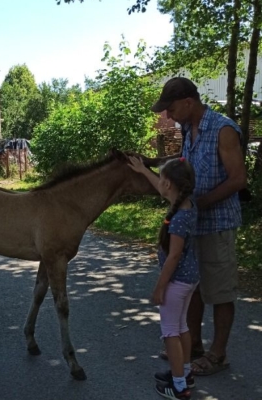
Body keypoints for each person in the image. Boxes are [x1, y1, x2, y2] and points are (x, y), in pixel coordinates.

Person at [150, 77, 247, 376]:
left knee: (219, 291)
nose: (167, 115)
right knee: (190, 287)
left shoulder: (223, 129)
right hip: (192, 226)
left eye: (170, 107)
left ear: (189, 102)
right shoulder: (186, 130)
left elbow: (238, 179)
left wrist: (199, 203)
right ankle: (192, 347)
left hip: (217, 224)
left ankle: (218, 355)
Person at [129, 157, 199, 400]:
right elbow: (164, 187)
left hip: (176, 282)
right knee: (181, 328)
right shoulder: (188, 204)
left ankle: (179, 387)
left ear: (168, 184)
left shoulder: (178, 219)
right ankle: (185, 373)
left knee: (170, 333)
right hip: (189, 280)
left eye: (161, 179)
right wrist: (143, 170)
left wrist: (160, 287)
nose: (158, 182)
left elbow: (173, 257)